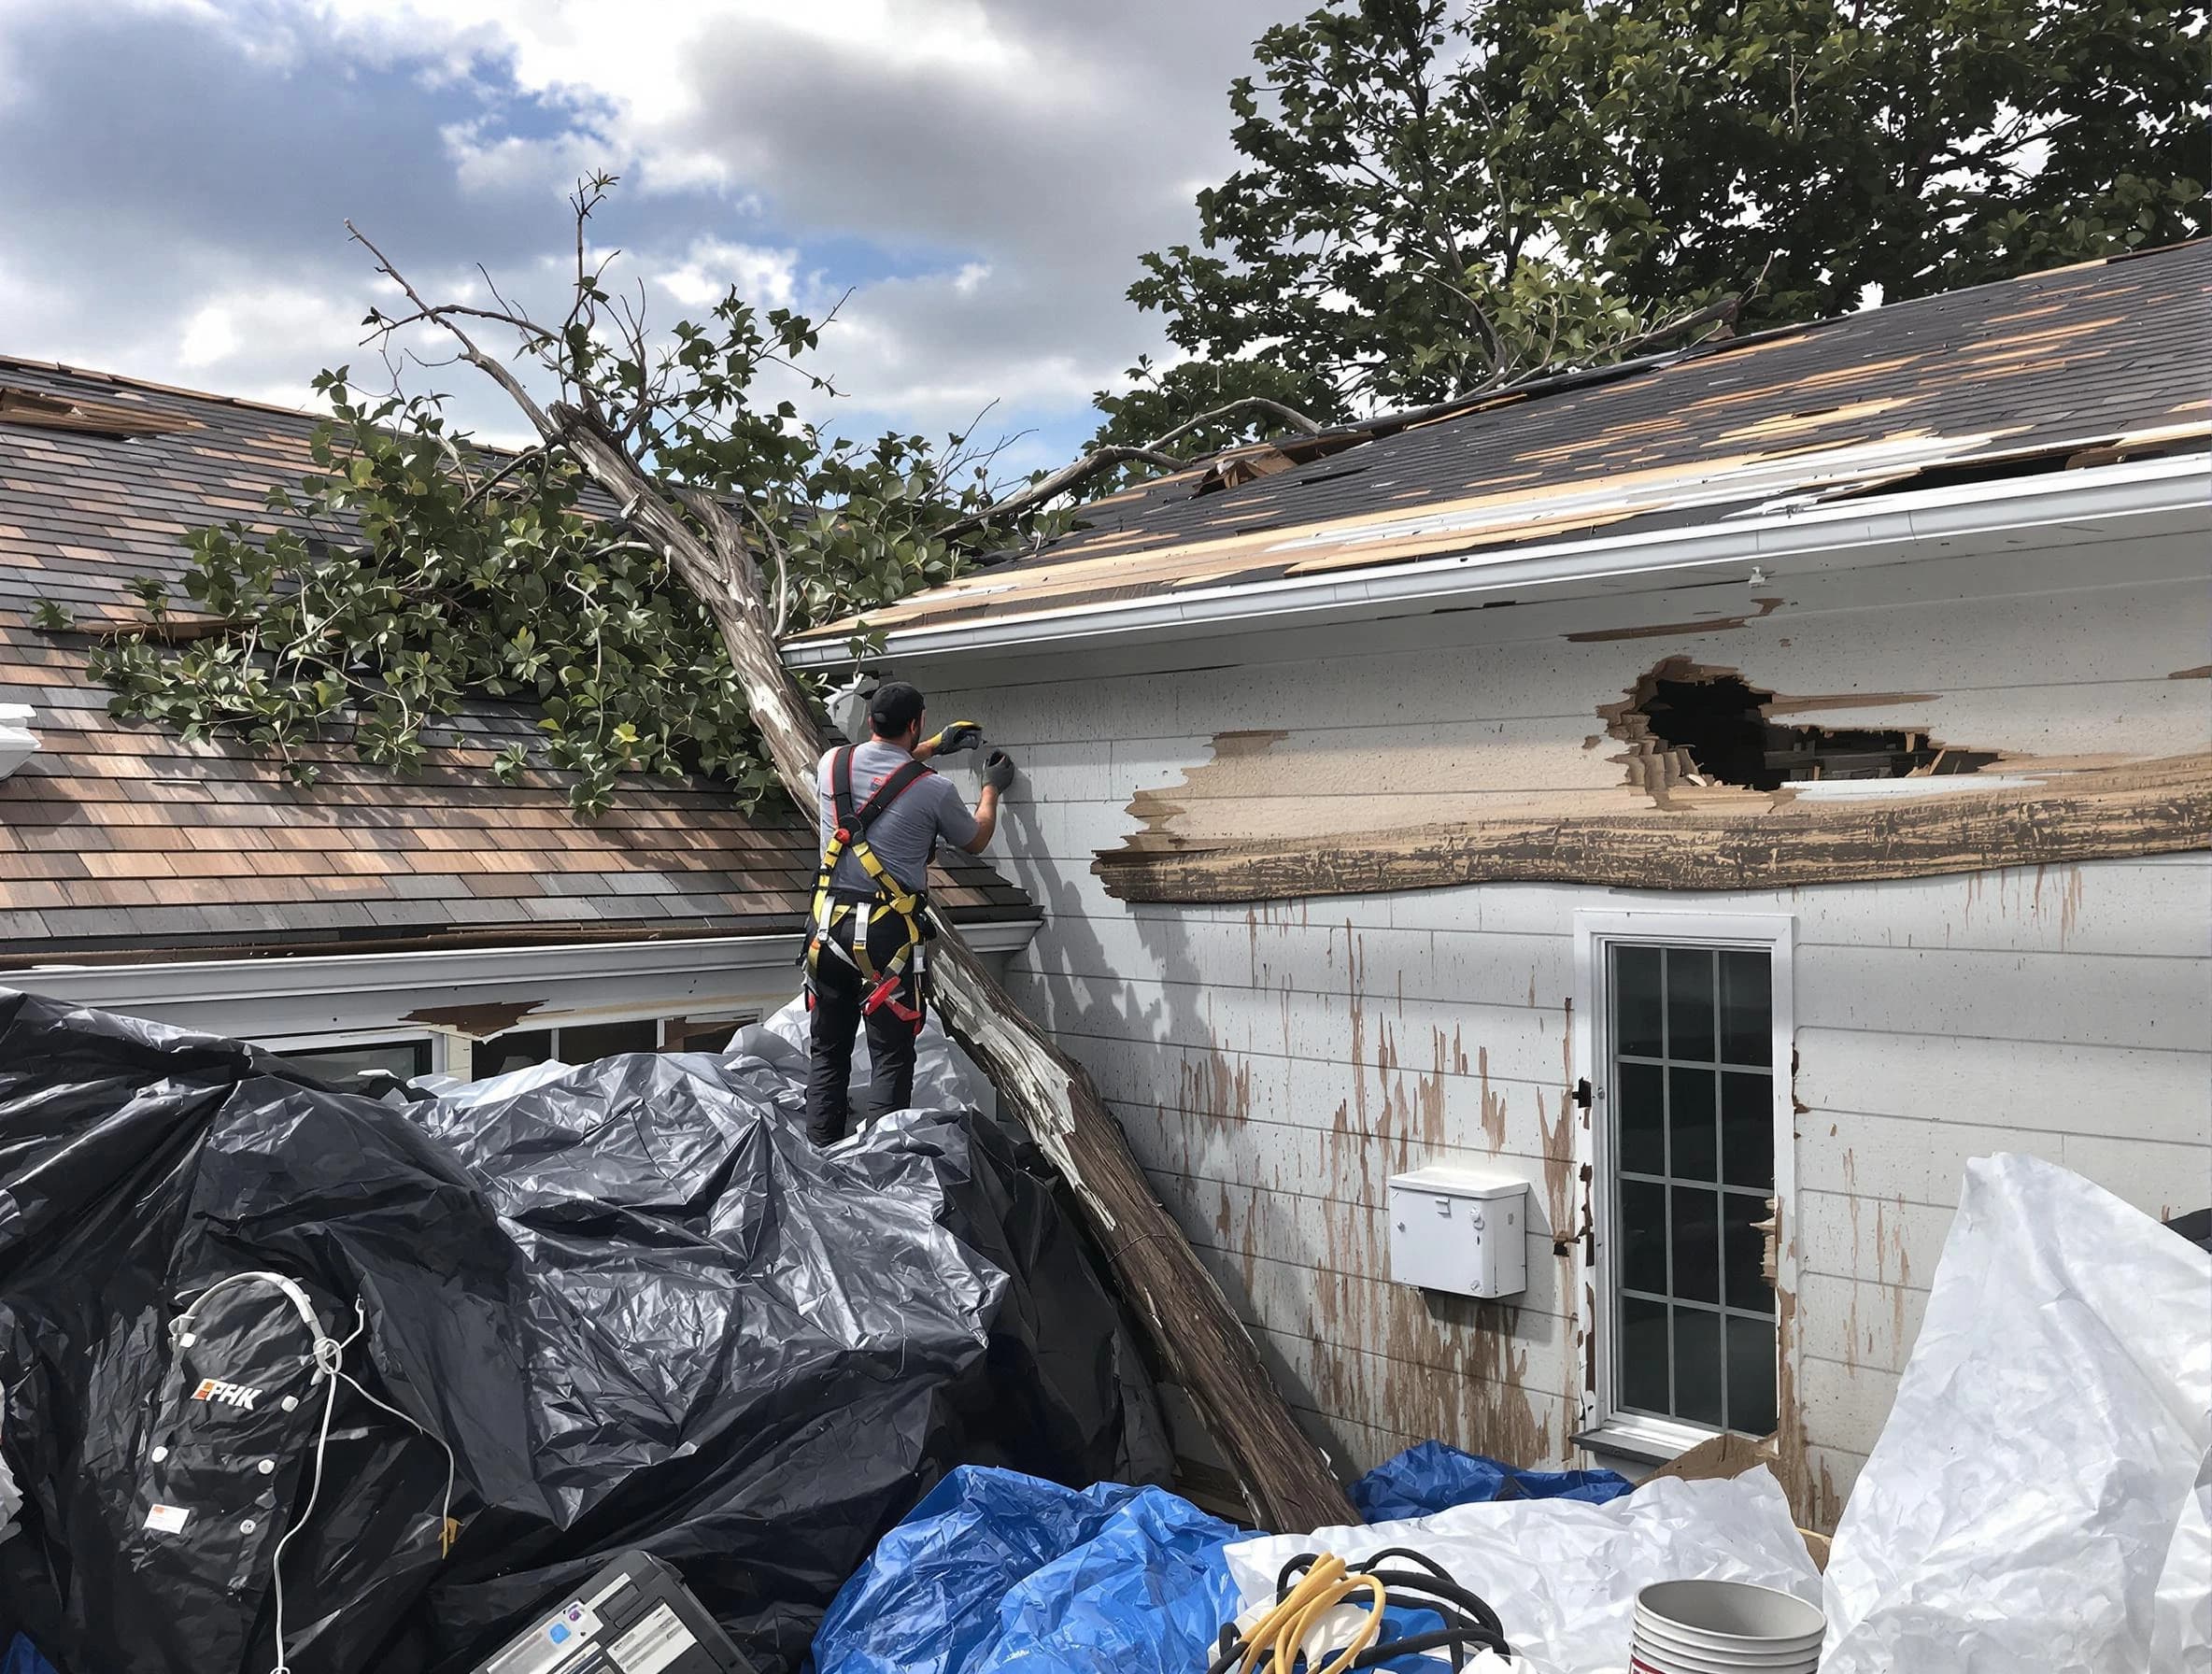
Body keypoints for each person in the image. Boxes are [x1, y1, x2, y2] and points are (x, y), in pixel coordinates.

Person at [803, 681, 1015, 1146]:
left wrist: (934, 746)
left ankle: (816, 1160)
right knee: (891, 1059)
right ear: (915, 722)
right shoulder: (934, 790)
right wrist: (990, 790)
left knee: (828, 1055)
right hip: (886, 939)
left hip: (829, 928)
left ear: (870, 722)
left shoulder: (830, 764)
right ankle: (882, 1169)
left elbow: (882, 767)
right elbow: (976, 838)